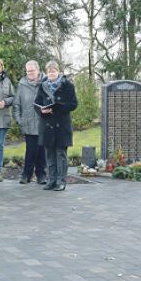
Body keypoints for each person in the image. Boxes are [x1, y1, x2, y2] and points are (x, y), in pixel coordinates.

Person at [34, 61, 78, 191]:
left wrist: (58, 108)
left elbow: (74, 104)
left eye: (53, 71)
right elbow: (36, 103)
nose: (51, 73)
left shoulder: (68, 86)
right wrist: (41, 110)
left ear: (58, 71)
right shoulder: (42, 86)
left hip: (61, 126)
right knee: (50, 155)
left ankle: (61, 181)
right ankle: (51, 180)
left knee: (60, 154)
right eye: (49, 72)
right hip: (47, 125)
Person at [13, 60, 47, 184]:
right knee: (31, 150)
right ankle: (26, 174)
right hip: (27, 122)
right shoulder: (22, 85)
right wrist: (19, 120)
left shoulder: (46, 82)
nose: (30, 73)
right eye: (28, 71)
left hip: (43, 122)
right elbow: (16, 104)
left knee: (42, 150)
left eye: (32, 70)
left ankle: (41, 175)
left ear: (38, 70)